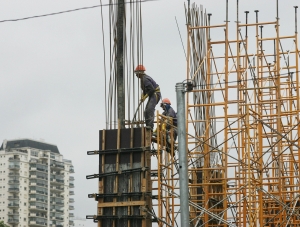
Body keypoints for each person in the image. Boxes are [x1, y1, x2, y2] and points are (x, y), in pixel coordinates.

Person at [134, 64, 161, 130]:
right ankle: (148, 126)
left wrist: (145, 96)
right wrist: (143, 95)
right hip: (152, 94)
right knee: (146, 112)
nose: (136, 75)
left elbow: (151, 90)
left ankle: (150, 127)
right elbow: (146, 90)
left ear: (140, 72)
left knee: (149, 109)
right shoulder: (143, 79)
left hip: (155, 94)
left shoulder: (145, 79)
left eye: (136, 73)